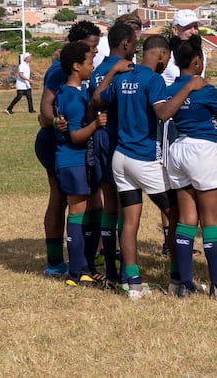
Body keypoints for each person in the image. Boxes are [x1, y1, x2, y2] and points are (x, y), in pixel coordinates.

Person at [90, 35, 197, 299]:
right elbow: (162, 114)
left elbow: (96, 99)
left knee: (130, 222)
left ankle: (134, 285)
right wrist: (189, 88)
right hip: (143, 158)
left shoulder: (124, 76)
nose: (167, 63)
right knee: (175, 215)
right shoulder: (154, 80)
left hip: (120, 158)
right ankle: (177, 280)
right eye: (167, 58)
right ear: (161, 56)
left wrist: (113, 71)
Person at [161, 38, 217, 297]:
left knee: (187, 219)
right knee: (211, 222)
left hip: (178, 152)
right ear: (197, 62)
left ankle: (184, 284)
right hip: (204, 151)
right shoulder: (205, 89)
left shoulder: (170, 90)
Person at [36, 22, 104, 279]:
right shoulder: (59, 71)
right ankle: (56, 262)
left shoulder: (85, 71)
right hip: (59, 144)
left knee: (88, 201)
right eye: (92, 47)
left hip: (76, 144)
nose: (95, 52)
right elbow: (46, 107)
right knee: (60, 198)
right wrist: (55, 121)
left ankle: (86, 258)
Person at [90, 18, 140, 285]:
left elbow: (91, 104)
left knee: (110, 204)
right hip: (120, 139)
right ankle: (124, 271)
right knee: (126, 207)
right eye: (135, 43)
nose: (136, 47)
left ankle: (110, 269)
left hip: (99, 138)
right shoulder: (127, 70)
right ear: (125, 43)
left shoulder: (98, 71)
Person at [52, 42, 105, 287]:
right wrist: (97, 124)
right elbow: (75, 136)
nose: (92, 67)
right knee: (77, 212)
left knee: (95, 207)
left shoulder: (72, 92)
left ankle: (88, 264)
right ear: (76, 66)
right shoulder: (71, 98)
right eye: (89, 63)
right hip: (72, 161)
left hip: (82, 161)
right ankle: (76, 272)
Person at [161, 9, 201, 85]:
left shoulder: (200, 55)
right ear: (175, 30)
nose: (193, 31)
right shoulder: (166, 55)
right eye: (188, 27)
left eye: (195, 27)